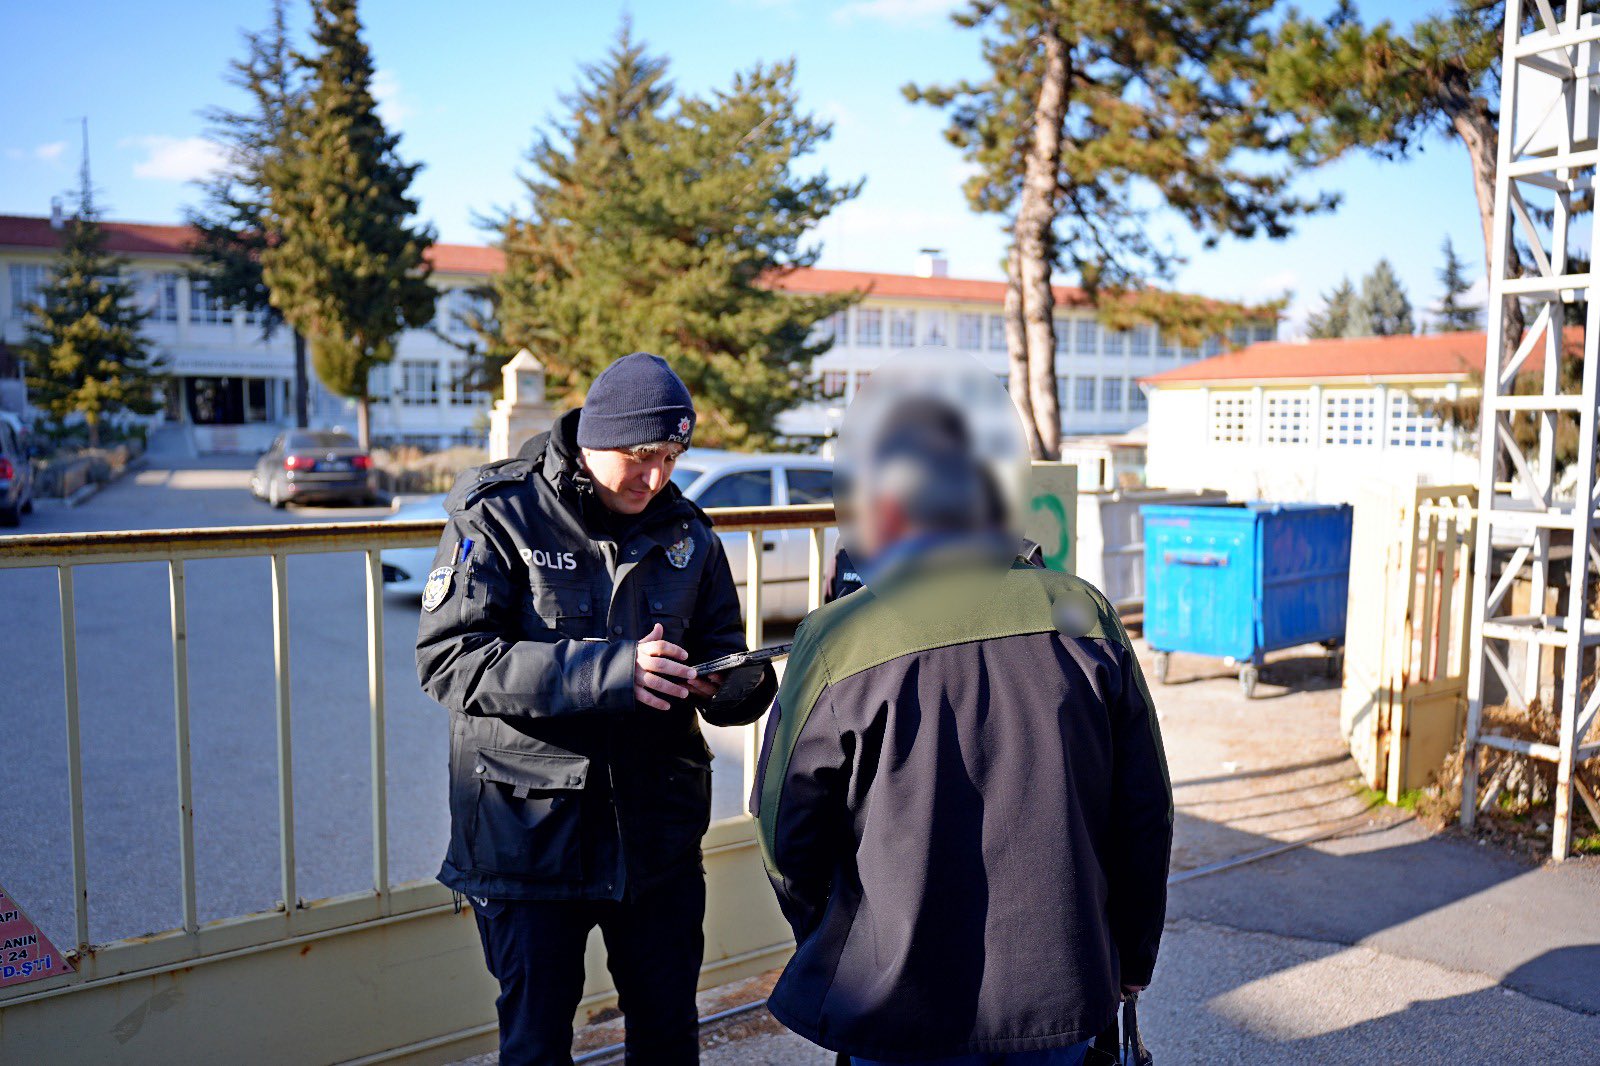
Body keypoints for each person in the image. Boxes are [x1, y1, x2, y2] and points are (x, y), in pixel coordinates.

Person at [752, 416, 1173, 1065]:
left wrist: (836, 937)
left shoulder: (839, 637)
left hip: (893, 993)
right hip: (1061, 980)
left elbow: (787, 830)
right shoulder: (1083, 612)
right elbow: (1143, 809)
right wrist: (1130, 953)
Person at [417, 352, 777, 1066]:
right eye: (643, 456)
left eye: (673, 456)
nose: (658, 476)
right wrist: (611, 671)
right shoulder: (500, 510)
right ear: (595, 438)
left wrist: (728, 686)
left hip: (655, 838)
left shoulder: (687, 531)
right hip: (530, 836)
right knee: (538, 1044)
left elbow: (724, 652)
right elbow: (450, 659)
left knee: (669, 1033)